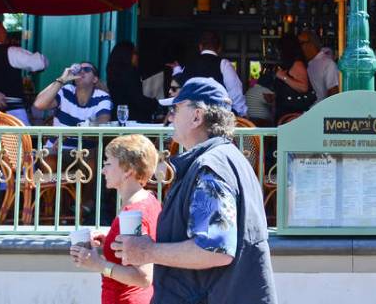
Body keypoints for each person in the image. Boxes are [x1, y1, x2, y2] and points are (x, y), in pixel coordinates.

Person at [110, 77, 277, 304]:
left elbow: (214, 250)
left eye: (176, 108)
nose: (170, 116)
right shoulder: (225, 159)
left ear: (197, 116)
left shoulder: (211, 167)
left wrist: (147, 251)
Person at [70, 134, 161, 304]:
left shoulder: (133, 213)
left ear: (128, 171)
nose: (103, 170)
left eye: (108, 164)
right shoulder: (148, 200)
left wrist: (97, 264)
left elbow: (143, 277)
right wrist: (111, 242)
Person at [0, 21, 48, 124]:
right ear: (3, 34)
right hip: (13, 115)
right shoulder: (11, 51)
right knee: (21, 140)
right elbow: (40, 63)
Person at [181, 31, 247, 118]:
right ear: (219, 48)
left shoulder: (188, 66)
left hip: (192, 116)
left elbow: (182, 90)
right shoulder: (223, 64)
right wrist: (241, 113)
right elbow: (235, 92)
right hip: (216, 118)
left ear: (200, 47)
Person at [33, 62, 112, 132]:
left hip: (84, 148)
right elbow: (39, 104)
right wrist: (62, 79)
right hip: (56, 147)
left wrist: (70, 134)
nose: (82, 71)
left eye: (87, 69)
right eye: (78, 69)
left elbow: (103, 121)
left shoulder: (102, 96)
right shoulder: (66, 90)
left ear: (95, 79)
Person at [107, 41, 159, 124]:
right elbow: (136, 98)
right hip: (133, 119)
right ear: (126, 54)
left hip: (117, 118)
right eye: (135, 53)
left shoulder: (112, 72)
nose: (137, 56)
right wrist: (154, 104)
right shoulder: (130, 72)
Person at [272, 34, 314, 124]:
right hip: (286, 112)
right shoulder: (290, 64)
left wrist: (283, 77)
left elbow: (303, 87)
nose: (278, 52)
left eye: (280, 49)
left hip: (292, 115)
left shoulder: (297, 64)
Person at [299, 29, 339, 103]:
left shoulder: (328, 64)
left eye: (301, 43)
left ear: (311, 44)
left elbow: (333, 93)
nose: (298, 47)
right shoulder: (304, 63)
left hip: (319, 111)